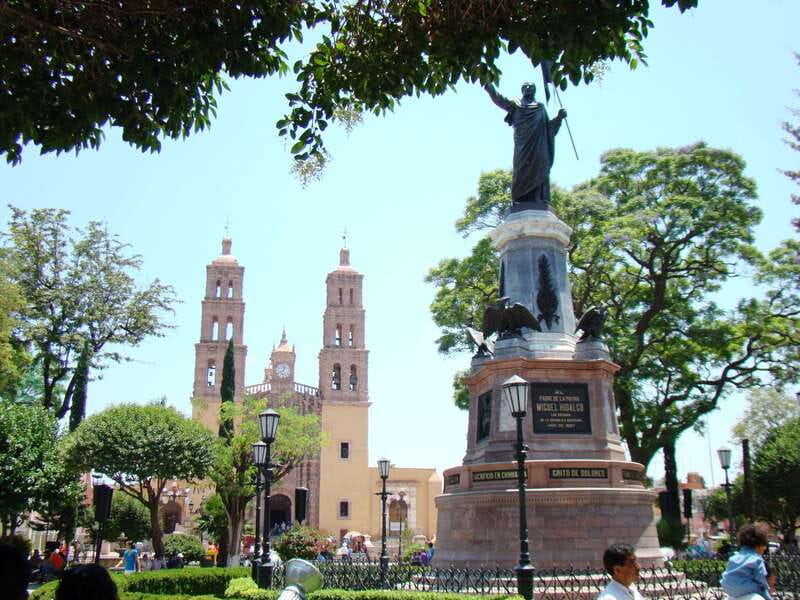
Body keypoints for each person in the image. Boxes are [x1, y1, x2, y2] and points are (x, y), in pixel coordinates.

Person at [484, 81, 567, 209]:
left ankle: (540, 198)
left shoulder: (540, 107)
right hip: (523, 145)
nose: (528, 88)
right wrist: (489, 87)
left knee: (540, 167)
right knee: (521, 169)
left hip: (539, 145)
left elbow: (548, 129)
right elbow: (500, 99)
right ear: (522, 90)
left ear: (535, 90)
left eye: (531, 87)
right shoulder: (515, 105)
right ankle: (520, 199)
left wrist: (559, 118)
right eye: (525, 87)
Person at [720, 524, 773, 600]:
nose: (765, 548)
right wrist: (766, 590)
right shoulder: (756, 559)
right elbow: (760, 578)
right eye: (764, 545)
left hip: (729, 588)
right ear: (758, 546)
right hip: (745, 588)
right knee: (761, 588)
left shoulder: (733, 558)